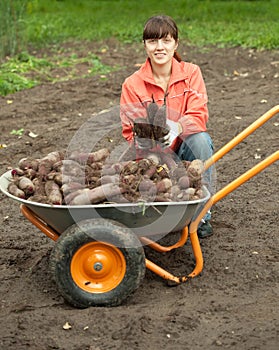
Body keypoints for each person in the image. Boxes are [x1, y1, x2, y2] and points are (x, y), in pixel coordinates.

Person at [119, 15, 214, 238]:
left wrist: (176, 127)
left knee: (201, 139)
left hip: (185, 148)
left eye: (166, 41)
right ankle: (158, 212)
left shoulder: (191, 73)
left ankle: (200, 217)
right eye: (152, 41)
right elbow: (129, 131)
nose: (159, 47)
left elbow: (199, 114)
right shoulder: (132, 84)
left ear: (176, 44)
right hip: (151, 154)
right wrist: (150, 147)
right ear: (144, 46)